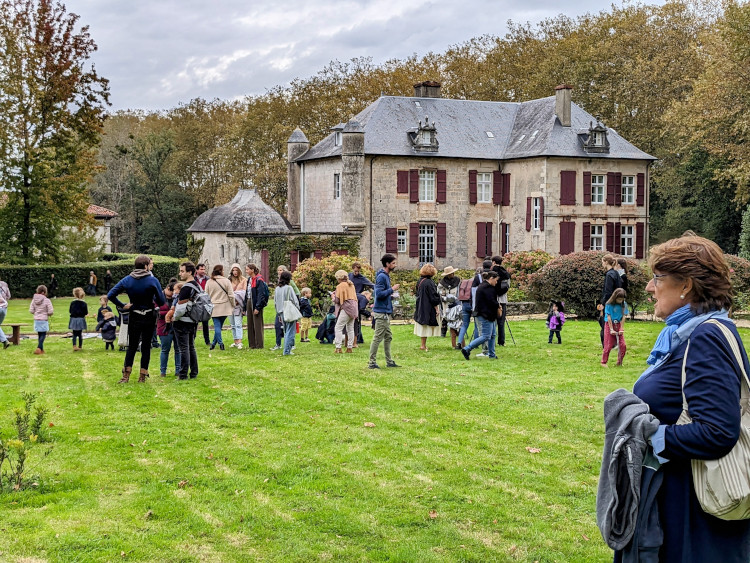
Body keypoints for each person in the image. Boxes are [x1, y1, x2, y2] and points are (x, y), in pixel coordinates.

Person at [622, 235, 750, 561]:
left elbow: (717, 431)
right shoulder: (688, 333)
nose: (650, 288)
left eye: (657, 278)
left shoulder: (706, 336)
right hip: (682, 502)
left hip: (696, 517)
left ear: (686, 286)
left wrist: (647, 433)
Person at [107, 255, 166, 383]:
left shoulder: (128, 280)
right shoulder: (152, 280)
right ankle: (142, 375)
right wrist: (154, 297)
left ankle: (126, 375)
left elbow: (111, 294)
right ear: (145, 266)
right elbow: (161, 301)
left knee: (132, 346)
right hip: (149, 315)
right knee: (146, 346)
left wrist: (123, 305)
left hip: (134, 314)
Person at [368, 254, 401, 369]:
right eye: (393, 263)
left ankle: (389, 361)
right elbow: (379, 294)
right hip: (381, 312)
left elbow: (383, 294)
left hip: (385, 311)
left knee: (388, 337)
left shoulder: (385, 276)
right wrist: (392, 289)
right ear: (387, 264)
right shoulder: (382, 277)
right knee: (377, 337)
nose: (395, 265)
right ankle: (372, 363)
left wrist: (391, 295)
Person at [461, 270, 499, 360]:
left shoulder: (483, 286)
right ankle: (467, 348)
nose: (496, 282)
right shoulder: (487, 288)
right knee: (486, 336)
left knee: (493, 334)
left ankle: (492, 354)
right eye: (496, 280)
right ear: (491, 278)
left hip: (487, 314)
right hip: (486, 314)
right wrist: (498, 306)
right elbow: (492, 301)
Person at [172, 262, 202, 380]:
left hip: (183, 320)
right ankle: (194, 372)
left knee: (183, 348)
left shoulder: (186, 287)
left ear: (190, 272)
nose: (180, 273)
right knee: (191, 347)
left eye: (182, 271)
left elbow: (180, 307)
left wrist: (175, 317)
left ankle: (183, 374)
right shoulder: (197, 286)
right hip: (193, 320)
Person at [205, 264, 235, 351]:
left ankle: (215, 343)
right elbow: (231, 295)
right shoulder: (226, 281)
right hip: (225, 306)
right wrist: (233, 304)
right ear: (221, 271)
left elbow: (206, 295)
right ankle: (219, 343)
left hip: (214, 306)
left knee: (217, 325)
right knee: (219, 326)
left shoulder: (209, 282)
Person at [413, 264, 441, 351]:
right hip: (427, 306)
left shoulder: (420, 281)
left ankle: (423, 344)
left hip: (421, 305)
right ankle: (423, 345)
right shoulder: (429, 282)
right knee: (425, 325)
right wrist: (436, 307)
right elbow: (433, 296)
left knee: (423, 324)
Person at [156, 282, 181, 377]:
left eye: (174, 291)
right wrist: (170, 312)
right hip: (164, 326)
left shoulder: (178, 298)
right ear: (167, 289)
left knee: (178, 349)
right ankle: (163, 371)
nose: (173, 293)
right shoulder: (159, 298)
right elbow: (157, 312)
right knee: (165, 349)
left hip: (176, 326)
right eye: (171, 291)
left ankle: (178, 369)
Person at [272, 265, 299, 350]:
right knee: (290, 331)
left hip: (280, 312)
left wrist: (278, 311)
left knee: (285, 330)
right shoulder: (289, 288)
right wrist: (297, 309)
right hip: (288, 311)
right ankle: (287, 348)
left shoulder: (277, 289)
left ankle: (287, 347)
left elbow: (275, 302)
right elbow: (295, 300)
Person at [598, 254, 622, 346]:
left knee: (605, 323)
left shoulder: (609, 275)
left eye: (602, 262)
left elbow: (608, 291)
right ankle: (614, 342)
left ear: (606, 262)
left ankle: (606, 343)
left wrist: (603, 303)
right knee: (614, 322)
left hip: (609, 302)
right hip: (616, 302)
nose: (602, 264)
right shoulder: (616, 273)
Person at [333, 270, 358, 354]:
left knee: (338, 327)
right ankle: (349, 347)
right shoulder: (351, 284)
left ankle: (338, 348)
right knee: (350, 328)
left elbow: (337, 300)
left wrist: (333, 296)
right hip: (354, 307)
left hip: (346, 307)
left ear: (338, 278)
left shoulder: (340, 286)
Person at [601, 288, 628, 367]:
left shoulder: (624, 304)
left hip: (618, 324)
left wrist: (621, 328)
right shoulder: (609, 304)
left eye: (622, 299)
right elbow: (608, 317)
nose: (620, 300)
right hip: (609, 324)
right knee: (608, 345)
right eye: (619, 299)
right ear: (615, 297)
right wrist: (611, 329)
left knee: (623, 345)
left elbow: (624, 316)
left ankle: (619, 362)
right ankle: (603, 362)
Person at [245, 263, 268, 349]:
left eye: (247, 269)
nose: (246, 271)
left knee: (257, 324)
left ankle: (259, 344)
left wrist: (258, 307)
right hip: (249, 300)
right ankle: (252, 344)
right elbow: (247, 292)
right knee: (250, 323)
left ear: (252, 270)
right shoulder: (249, 280)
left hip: (256, 302)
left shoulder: (259, 279)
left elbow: (260, 295)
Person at [437, 266, 461, 346]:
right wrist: (444, 297)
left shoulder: (458, 280)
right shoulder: (442, 282)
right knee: (445, 316)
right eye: (450, 273)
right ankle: (443, 332)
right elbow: (439, 291)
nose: (452, 274)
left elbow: (460, 289)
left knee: (456, 317)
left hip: (456, 301)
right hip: (446, 302)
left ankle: (456, 332)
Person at [491, 256, 512, 347]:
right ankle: (501, 341)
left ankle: (491, 340)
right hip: (502, 299)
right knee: (501, 321)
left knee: (492, 320)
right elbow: (508, 285)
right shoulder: (506, 273)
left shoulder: (491, 273)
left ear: (494, 262)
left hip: (493, 298)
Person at [30, 285, 54, 354]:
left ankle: (41, 349)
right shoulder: (47, 300)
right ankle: (38, 347)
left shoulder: (34, 300)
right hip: (44, 319)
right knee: (43, 334)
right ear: (44, 292)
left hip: (37, 319)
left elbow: (31, 310)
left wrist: (36, 312)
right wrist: (48, 314)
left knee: (39, 334)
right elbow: (50, 311)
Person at [228, 263, 247, 349]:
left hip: (238, 304)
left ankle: (239, 341)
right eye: (233, 270)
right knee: (232, 324)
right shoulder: (229, 280)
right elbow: (227, 291)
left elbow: (244, 292)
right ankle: (235, 341)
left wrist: (236, 296)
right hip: (230, 304)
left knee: (238, 323)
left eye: (236, 270)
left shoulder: (244, 280)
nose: (235, 272)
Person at [195, 263, 211, 346]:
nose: (203, 271)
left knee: (205, 322)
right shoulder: (193, 279)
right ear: (197, 270)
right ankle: (192, 339)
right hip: (196, 302)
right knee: (194, 322)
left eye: (204, 269)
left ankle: (207, 341)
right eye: (201, 269)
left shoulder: (208, 279)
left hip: (205, 302)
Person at [68, 287, 89, 351]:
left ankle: (74, 345)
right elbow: (86, 312)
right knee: (80, 334)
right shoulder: (84, 303)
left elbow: (70, 311)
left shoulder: (72, 303)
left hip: (73, 319)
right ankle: (80, 346)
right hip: (81, 319)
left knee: (74, 333)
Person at [0, 274, 10, 349]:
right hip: (4, 307)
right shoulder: (4, 284)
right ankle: (4, 340)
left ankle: (4, 340)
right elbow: (8, 296)